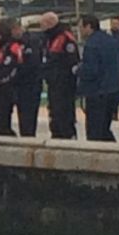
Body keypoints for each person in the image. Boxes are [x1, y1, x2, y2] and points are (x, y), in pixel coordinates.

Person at [76, 14, 119, 142]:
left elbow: (91, 70)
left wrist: (77, 70)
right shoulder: (112, 41)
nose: (79, 31)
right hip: (114, 89)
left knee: (94, 131)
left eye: (81, 27)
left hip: (97, 91)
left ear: (89, 27)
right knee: (104, 128)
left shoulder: (91, 44)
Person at [40, 11, 79, 140]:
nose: (41, 28)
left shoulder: (65, 38)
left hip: (64, 84)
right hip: (53, 83)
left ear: (50, 24)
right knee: (54, 113)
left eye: (42, 25)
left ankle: (68, 135)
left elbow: (72, 61)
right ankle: (56, 134)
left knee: (64, 113)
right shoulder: (50, 38)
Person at [10, 18, 43, 138]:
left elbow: (33, 63)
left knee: (29, 116)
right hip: (19, 86)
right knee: (22, 115)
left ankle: (29, 137)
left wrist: (17, 70)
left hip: (31, 85)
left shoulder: (31, 41)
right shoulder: (12, 43)